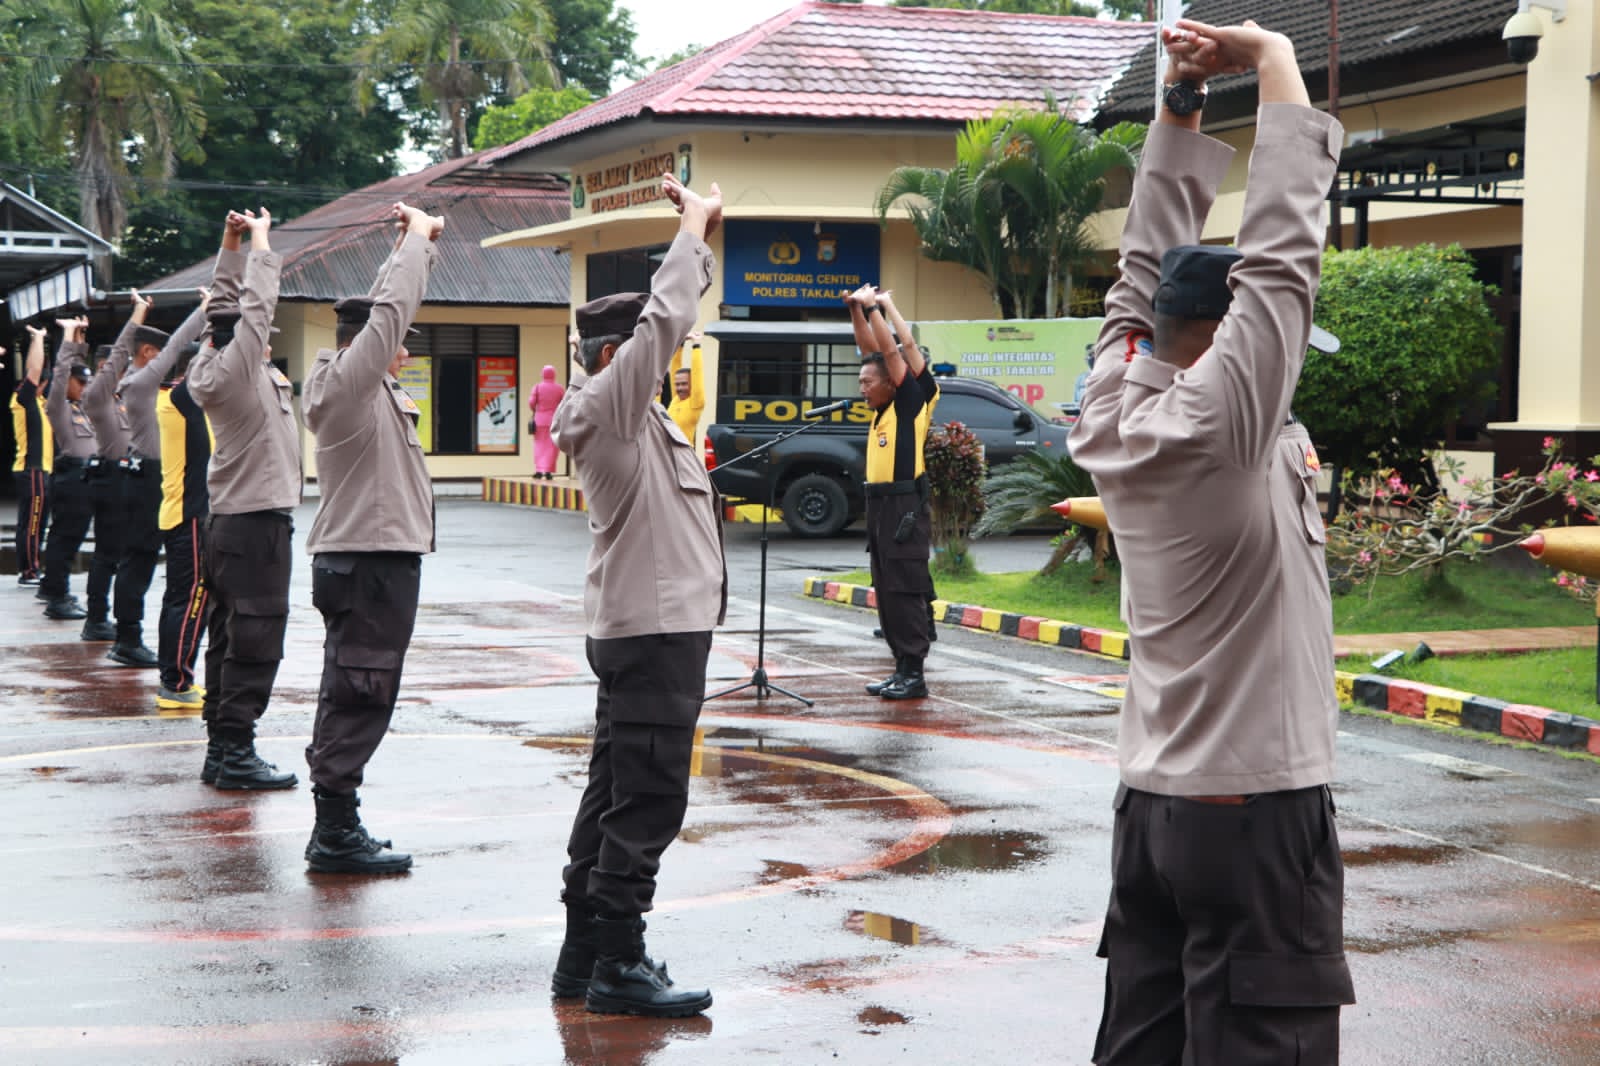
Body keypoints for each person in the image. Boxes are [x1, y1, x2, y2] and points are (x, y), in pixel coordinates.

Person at [1066, 20, 1354, 1065]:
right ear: (1227, 328)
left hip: (1155, 811)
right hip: (1251, 815)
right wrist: (1275, 68)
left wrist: (1179, 107)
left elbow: (1138, 272)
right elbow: (1280, 259)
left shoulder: (1113, 406)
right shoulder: (1222, 427)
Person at [547, 172, 725, 1018]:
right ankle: (619, 962)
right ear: (618, 361)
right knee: (649, 797)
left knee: (614, 791)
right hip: (653, 634)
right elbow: (662, 322)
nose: (675, 360)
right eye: (656, 357)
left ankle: (585, 954)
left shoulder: (638, 416)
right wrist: (690, 227)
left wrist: (706, 238)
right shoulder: (612, 408)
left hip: (651, 629)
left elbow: (668, 325)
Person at [299, 201, 444, 875]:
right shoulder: (350, 386)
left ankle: (339, 823)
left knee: (359, 689)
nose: (404, 349)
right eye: (391, 343)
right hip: (368, 565)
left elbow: (386, 313)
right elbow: (389, 315)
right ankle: (333, 832)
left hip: (371, 562)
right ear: (369, 346)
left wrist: (417, 247)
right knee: (360, 691)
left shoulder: (367, 387)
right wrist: (414, 241)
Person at [185, 209, 301, 791]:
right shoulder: (233, 368)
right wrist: (259, 243)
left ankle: (220, 746)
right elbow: (251, 309)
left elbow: (226, 309)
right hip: (253, 526)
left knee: (229, 635)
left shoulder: (214, 359)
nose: (268, 342)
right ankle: (235, 750)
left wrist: (227, 244)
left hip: (236, 523)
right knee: (255, 639)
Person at [849, 284, 938, 701]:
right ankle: (900, 667)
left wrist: (879, 307)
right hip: (881, 503)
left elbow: (892, 352)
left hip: (903, 505)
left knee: (904, 590)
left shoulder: (909, 400)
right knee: (886, 591)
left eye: (868, 383)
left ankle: (914, 672)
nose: (863, 388)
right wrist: (856, 311)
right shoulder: (884, 405)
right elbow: (872, 353)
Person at [38, 317, 115, 624]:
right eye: (79, 383)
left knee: (75, 537)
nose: (84, 388)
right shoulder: (57, 405)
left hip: (89, 478)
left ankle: (55, 588)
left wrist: (81, 336)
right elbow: (61, 373)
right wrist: (68, 339)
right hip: (71, 477)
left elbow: (90, 376)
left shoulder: (82, 407)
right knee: (65, 540)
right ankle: (56, 596)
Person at [154, 339, 213, 710]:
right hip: (188, 515)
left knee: (182, 599)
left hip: (187, 514)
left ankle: (176, 677)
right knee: (192, 598)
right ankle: (175, 683)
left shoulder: (183, 400)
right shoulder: (179, 397)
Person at [11, 328, 51, 586]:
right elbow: (33, 370)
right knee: (34, 523)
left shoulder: (37, 404)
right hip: (32, 469)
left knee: (31, 522)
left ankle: (29, 568)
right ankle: (30, 572)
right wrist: (38, 338)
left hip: (39, 469)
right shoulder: (24, 399)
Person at [665, 334, 704, 444]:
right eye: (677, 384)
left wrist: (696, 345)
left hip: (683, 455)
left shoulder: (695, 403)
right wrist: (681, 343)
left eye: (684, 384)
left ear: (692, 385)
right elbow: (675, 368)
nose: (679, 388)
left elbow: (697, 373)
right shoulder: (676, 399)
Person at [528, 362, 564, 478]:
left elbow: (531, 403)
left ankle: (539, 470)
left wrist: (536, 409)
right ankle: (548, 471)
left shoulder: (537, 387)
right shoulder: (559, 388)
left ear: (543, 374)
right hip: (554, 420)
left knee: (539, 445)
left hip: (540, 421)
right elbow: (564, 403)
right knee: (551, 446)